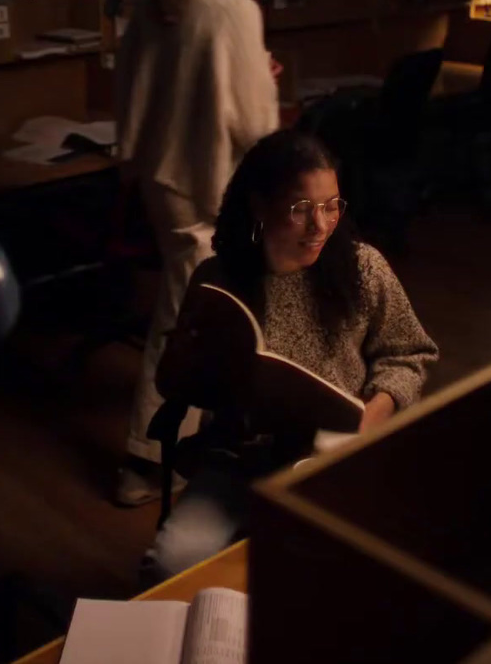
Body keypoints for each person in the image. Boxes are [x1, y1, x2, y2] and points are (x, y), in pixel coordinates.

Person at [145, 130, 438, 579]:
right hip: (239, 461)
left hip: (333, 460)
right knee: (172, 568)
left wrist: (373, 414)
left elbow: (410, 352)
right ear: (260, 206)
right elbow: (178, 382)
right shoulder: (217, 277)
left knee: (339, 573)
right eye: (301, 209)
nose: (320, 225)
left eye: (331, 206)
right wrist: (191, 362)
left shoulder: (363, 269)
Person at [112, 0, 282, 506]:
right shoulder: (234, 7)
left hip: (161, 179)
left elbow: (135, 88)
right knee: (184, 319)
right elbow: (256, 123)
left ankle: (210, 426)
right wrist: (262, 80)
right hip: (206, 179)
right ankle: (143, 459)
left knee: (198, 310)